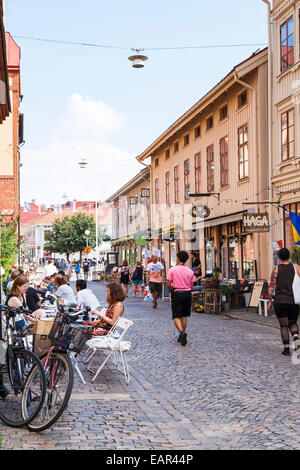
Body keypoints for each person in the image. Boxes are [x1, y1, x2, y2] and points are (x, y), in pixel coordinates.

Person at [268, 248, 300, 356]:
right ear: (289, 256)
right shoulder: (296, 267)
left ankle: (286, 349)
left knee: (283, 325)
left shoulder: (276, 269)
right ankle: (296, 337)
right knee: (293, 322)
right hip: (293, 300)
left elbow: (271, 286)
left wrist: (269, 301)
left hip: (280, 301)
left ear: (279, 257)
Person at [167, 251, 195, 346]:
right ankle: (181, 334)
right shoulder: (190, 271)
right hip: (187, 293)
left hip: (177, 293)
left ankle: (182, 333)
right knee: (184, 315)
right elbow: (192, 286)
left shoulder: (172, 270)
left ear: (178, 259)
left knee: (176, 316)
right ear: (186, 260)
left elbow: (168, 283)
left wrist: (171, 291)